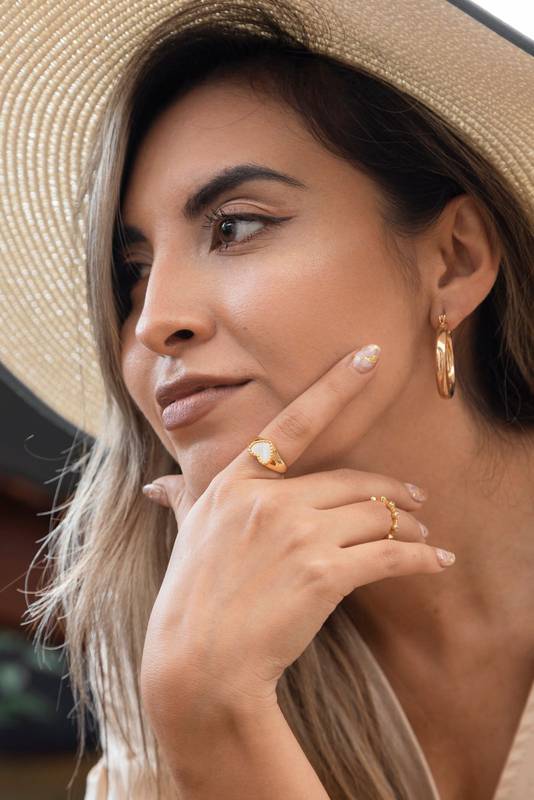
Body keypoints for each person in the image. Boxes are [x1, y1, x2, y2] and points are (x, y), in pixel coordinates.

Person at [2, 0, 532, 798]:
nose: (153, 322)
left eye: (236, 226)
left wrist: (211, 714)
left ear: (454, 262)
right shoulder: (181, 615)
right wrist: (205, 699)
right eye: (132, 271)